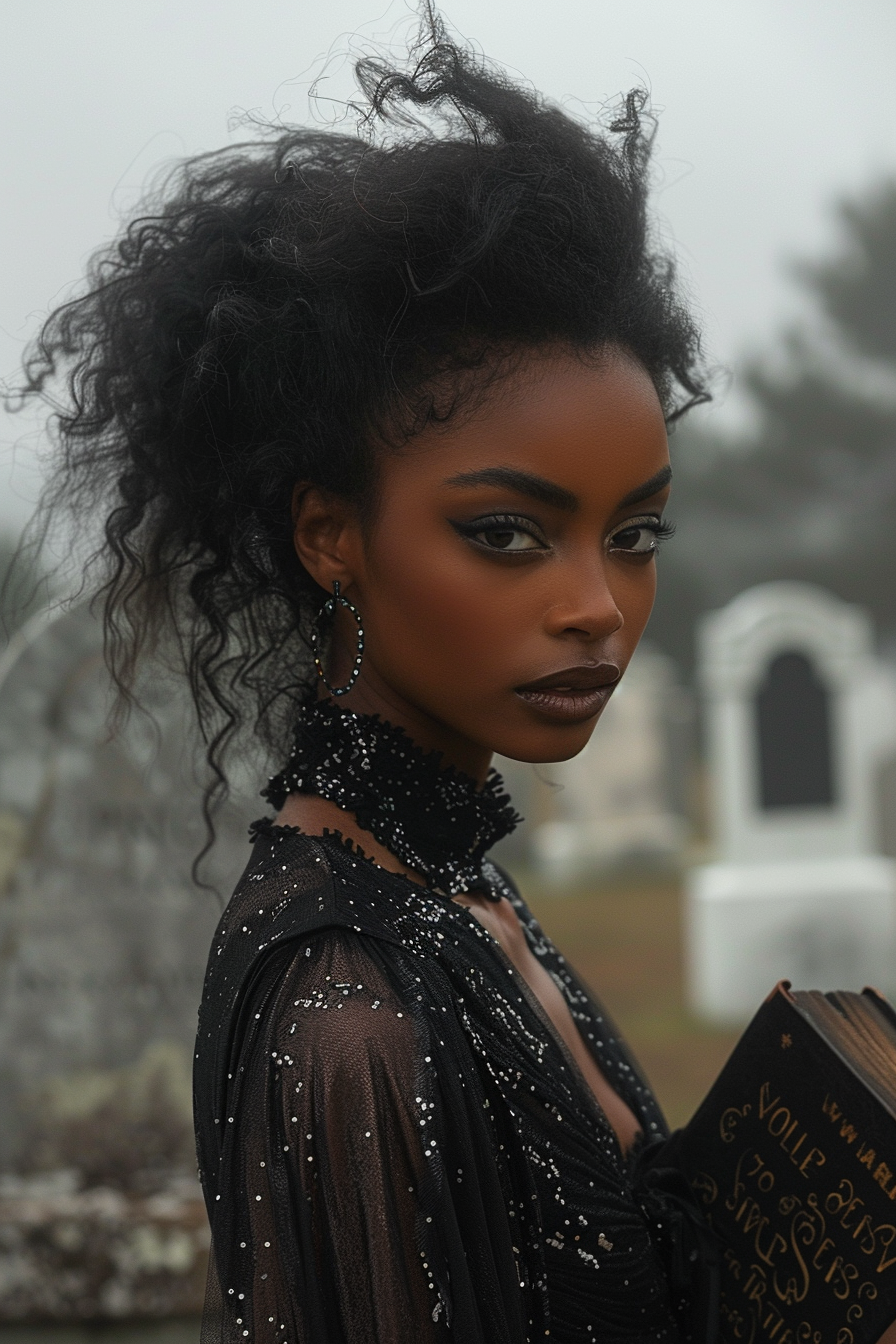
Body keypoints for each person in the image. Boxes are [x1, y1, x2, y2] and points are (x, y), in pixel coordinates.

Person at [16, 12, 714, 1341]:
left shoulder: (452, 886)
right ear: (331, 533)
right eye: (503, 533)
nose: (595, 607)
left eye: (634, 535)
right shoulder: (352, 1007)